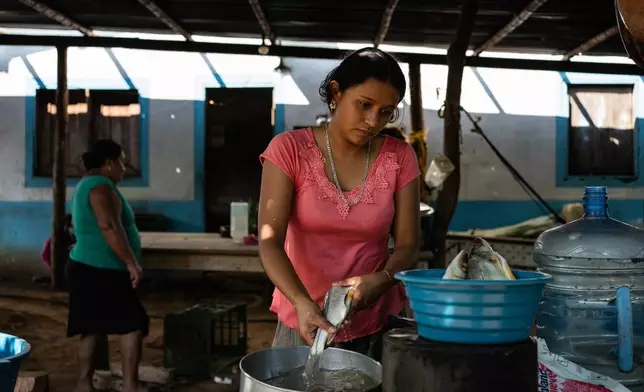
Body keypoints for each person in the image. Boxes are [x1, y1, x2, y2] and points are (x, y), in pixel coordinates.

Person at [258, 47, 421, 359]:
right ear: (336, 92)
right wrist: (301, 302)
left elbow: (408, 244)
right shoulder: (289, 151)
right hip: (303, 319)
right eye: (364, 105)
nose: (373, 120)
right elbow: (270, 242)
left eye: (386, 111)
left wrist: (383, 280)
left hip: (377, 322)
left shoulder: (400, 157)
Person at [66, 139, 148, 392]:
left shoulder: (89, 184)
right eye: (122, 161)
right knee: (134, 324)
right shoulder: (101, 187)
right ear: (109, 162)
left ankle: (83, 383)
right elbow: (110, 226)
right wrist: (131, 263)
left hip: (88, 267)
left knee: (92, 327)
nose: (124, 167)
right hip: (102, 270)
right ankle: (130, 385)